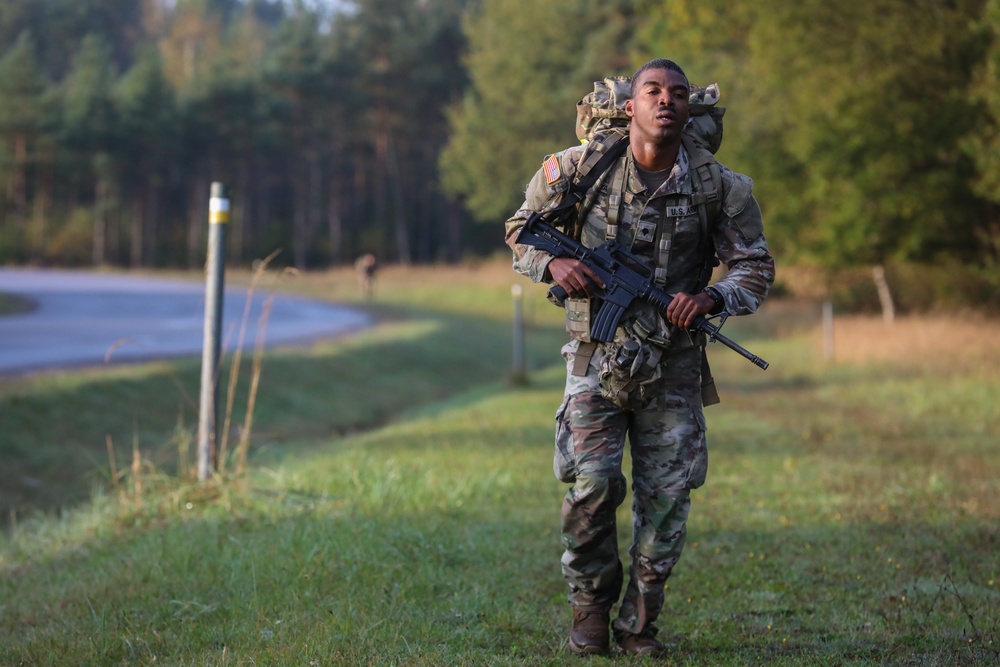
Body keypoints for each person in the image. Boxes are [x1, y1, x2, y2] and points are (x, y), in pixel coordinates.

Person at [503, 58, 775, 657]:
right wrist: (556, 264)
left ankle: (639, 626)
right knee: (593, 486)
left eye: (679, 94)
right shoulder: (581, 168)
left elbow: (756, 266)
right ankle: (589, 611)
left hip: (673, 365)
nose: (666, 102)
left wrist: (710, 296)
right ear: (631, 106)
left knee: (667, 502)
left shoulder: (719, 186)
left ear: (688, 109)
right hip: (595, 358)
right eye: (653, 91)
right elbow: (522, 229)